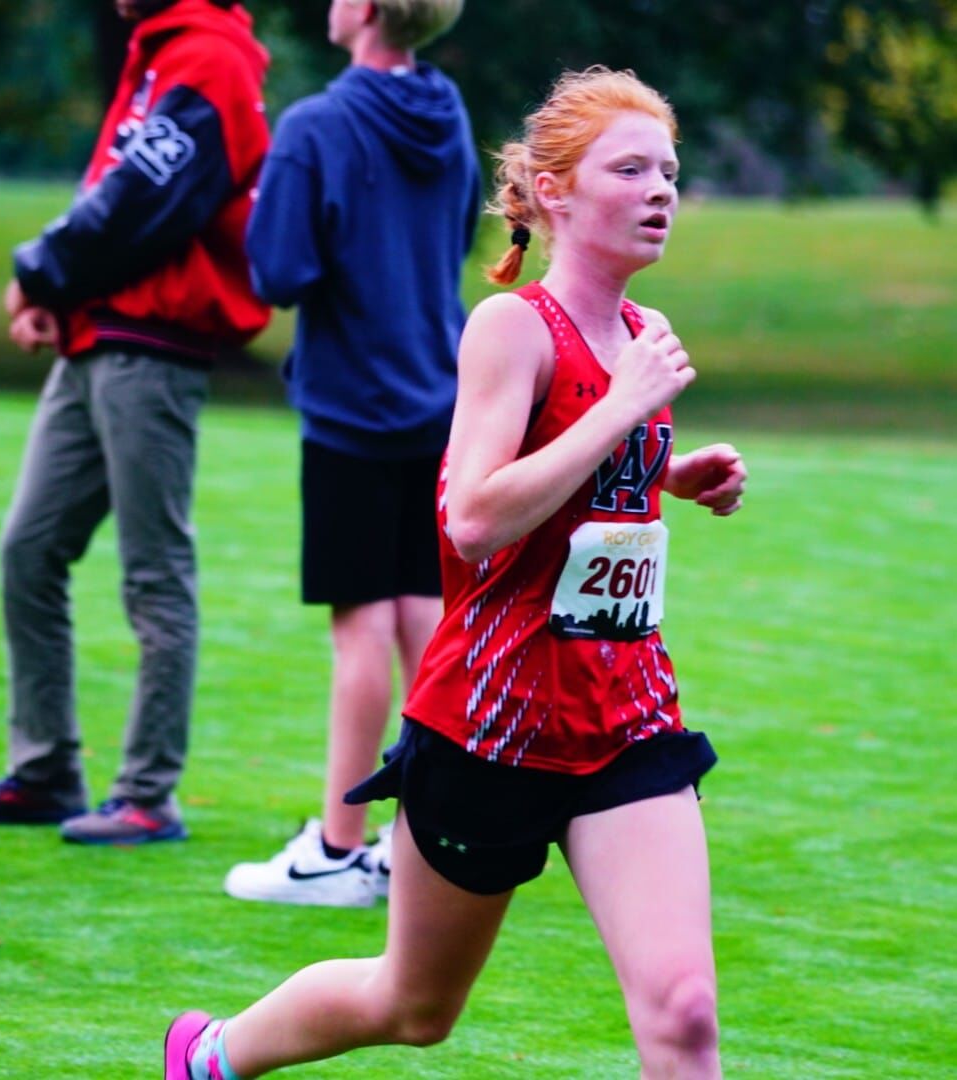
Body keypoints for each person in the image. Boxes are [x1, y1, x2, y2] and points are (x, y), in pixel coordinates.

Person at [162, 65, 747, 1078]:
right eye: (631, 169)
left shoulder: (644, 338)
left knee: (686, 1010)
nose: (661, 191)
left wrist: (669, 472)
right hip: (491, 724)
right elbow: (473, 517)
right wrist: (621, 412)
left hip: (622, 718)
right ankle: (212, 1055)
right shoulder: (512, 329)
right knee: (416, 1004)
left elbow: (582, 505)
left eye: (670, 171)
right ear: (557, 194)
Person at [0, 0, 271, 845]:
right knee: (29, 547)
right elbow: (119, 195)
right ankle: (47, 770)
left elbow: (139, 202)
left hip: (151, 347)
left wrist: (40, 272)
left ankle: (148, 793)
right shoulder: (158, 49)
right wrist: (62, 294)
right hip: (100, 336)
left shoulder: (210, 56)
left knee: (154, 571)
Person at [223, 0, 480, 905]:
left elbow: (278, 271)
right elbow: (452, 244)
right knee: (424, 618)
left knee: (363, 624)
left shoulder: (316, 125)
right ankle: (439, 830)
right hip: (437, 394)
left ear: (365, 9)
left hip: (349, 410)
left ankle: (337, 847)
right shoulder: (447, 113)